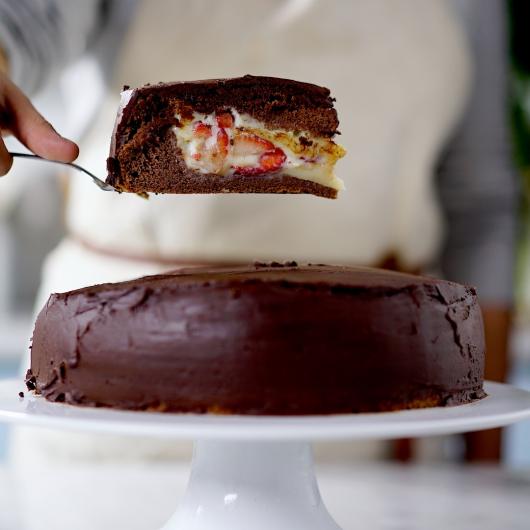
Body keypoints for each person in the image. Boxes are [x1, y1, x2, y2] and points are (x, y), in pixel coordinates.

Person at [0, 0, 516, 468]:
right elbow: (31, 20)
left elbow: (481, 207)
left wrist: (486, 461)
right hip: (106, 387)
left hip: (373, 394)